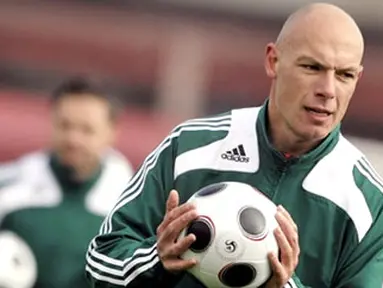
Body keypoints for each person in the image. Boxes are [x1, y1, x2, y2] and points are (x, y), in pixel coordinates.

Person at [85, 3, 383, 288]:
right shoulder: (188, 148)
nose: (328, 90)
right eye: (312, 67)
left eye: (344, 75)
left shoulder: (368, 202)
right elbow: (101, 262)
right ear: (273, 61)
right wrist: (156, 260)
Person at [0, 77, 134, 288]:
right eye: (65, 125)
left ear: (112, 133)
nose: (73, 139)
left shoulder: (134, 204)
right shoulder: (10, 186)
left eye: (86, 130)